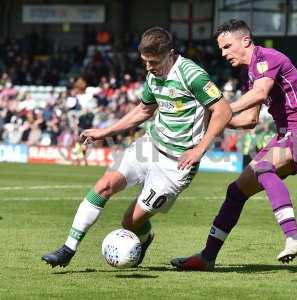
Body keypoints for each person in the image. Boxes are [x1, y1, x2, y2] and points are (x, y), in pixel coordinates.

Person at [41, 27, 232, 268]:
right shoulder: (153, 75)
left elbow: (223, 110)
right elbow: (144, 110)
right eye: (145, 62)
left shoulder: (192, 74)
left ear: (170, 54)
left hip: (177, 165)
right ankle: (67, 249)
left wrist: (199, 149)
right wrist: (106, 131)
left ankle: (144, 238)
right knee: (104, 185)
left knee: (130, 223)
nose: (149, 67)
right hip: (149, 146)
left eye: (153, 62)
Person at [171, 19, 297, 271]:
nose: (223, 53)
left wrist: (220, 108)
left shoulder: (268, 58)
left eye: (227, 46)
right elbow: (249, 120)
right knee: (236, 191)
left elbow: (259, 94)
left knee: (264, 168)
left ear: (245, 40)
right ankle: (207, 257)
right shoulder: (249, 72)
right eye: (221, 48)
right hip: (286, 135)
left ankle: (294, 237)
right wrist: (219, 119)